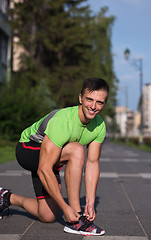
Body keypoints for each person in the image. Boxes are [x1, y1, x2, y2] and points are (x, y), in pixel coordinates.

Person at [0, 78, 109, 236]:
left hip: (52, 156)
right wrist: (67, 210)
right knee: (76, 150)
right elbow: (44, 168)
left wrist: (91, 202)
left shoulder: (99, 126)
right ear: (80, 98)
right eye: (89, 100)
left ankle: (6, 197)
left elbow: (92, 164)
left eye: (99, 102)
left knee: (47, 215)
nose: (93, 106)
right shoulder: (63, 121)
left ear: (104, 104)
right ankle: (75, 221)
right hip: (28, 149)